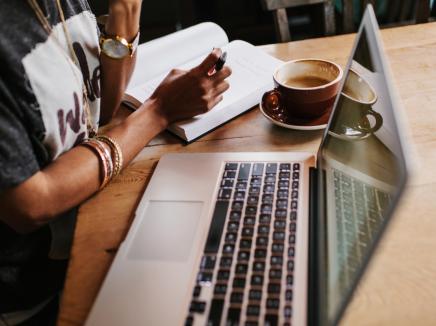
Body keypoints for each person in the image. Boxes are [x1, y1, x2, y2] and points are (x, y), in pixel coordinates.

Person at [0, 0, 231, 324]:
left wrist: (125, 11)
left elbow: (101, 107)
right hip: (33, 301)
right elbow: (30, 202)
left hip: (88, 231)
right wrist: (159, 111)